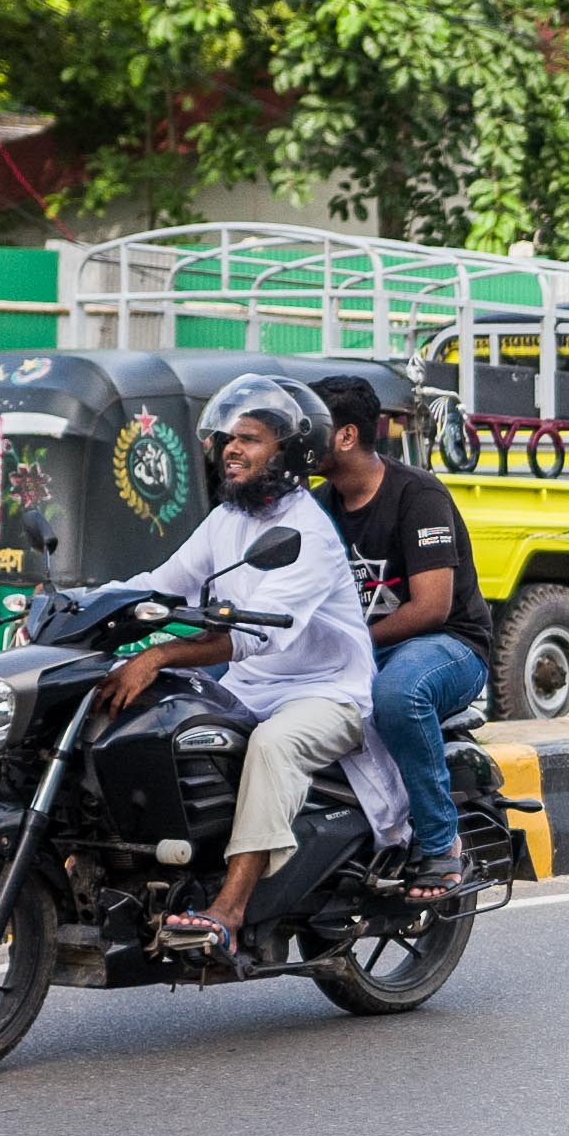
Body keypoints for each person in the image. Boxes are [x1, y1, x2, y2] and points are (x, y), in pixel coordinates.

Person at [103, 374, 400, 968]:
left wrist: (158, 654)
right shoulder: (226, 520)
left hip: (326, 694)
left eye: (250, 439)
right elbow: (162, 584)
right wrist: (79, 604)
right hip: (248, 688)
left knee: (271, 745)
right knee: (157, 724)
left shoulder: (306, 534)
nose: (231, 449)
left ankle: (230, 911)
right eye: (228, 438)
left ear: (289, 453)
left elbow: (255, 634)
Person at [314, 382, 487, 888]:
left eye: (310, 425)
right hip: (360, 649)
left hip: (446, 645)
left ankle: (439, 843)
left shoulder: (418, 495)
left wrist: (355, 644)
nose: (296, 437)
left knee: (398, 695)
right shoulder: (317, 505)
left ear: (346, 436)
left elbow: (432, 607)